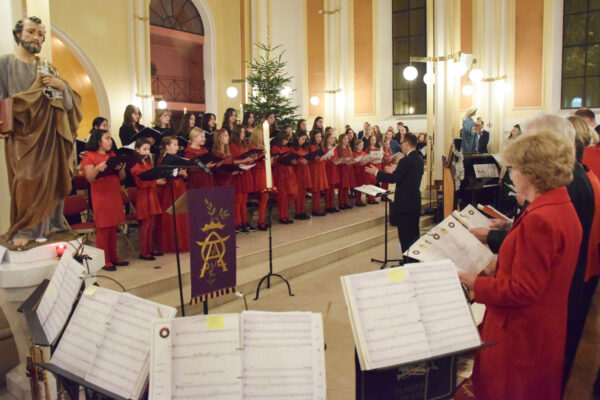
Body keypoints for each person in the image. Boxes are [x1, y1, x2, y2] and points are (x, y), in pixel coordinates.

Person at [457, 131, 581, 400]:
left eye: (514, 168)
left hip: (521, 334)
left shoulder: (540, 219)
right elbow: (541, 272)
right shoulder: (561, 205)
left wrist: (473, 282)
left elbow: (522, 290)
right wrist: (495, 270)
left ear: (533, 172)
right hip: (543, 327)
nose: (511, 175)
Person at [1, 16, 82, 247]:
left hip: (49, 133)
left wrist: (62, 87)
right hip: (22, 134)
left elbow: (67, 104)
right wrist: (20, 105)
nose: (36, 38)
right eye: (31, 32)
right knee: (26, 179)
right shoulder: (5, 64)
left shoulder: (47, 67)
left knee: (54, 178)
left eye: (40, 34)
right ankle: (26, 228)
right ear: (18, 34)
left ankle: (52, 224)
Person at [366, 132, 423, 252]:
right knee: (414, 233)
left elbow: (393, 179)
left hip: (404, 203)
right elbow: (407, 175)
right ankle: (413, 258)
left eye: (401, 142)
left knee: (405, 235)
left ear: (407, 143)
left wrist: (376, 172)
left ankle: (407, 259)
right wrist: (396, 170)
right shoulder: (419, 158)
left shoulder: (405, 161)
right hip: (415, 200)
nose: (400, 145)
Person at [80, 129, 128, 271]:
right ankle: (104, 260)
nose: (110, 141)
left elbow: (122, 178)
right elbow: (90, 178)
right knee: (103, 228)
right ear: (98, 141)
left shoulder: (112, 155)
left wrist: (121, 169)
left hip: (114, 193)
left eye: (110, 138)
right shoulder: (89, 156)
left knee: (113, 227)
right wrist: (97, 168)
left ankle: (113, 257)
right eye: (107, 138)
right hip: (101, 195)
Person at [130, 138, 165, 261]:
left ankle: (149, 248)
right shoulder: (135, 166)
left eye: (148, 149)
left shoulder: (148, 162)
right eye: (144, 149)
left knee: (151, 223)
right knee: (145, 224)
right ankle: (143, 252)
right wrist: (156, 182)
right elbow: (141, 184)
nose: (147, 152)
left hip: (151, 194)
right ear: (137, 150)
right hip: (143, 196)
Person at [154, 136, 189, 253]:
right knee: (171, 216)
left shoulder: (178, 158)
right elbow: (162, 174)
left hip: (179, 187)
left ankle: (182, 241)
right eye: (174, 145)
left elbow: (185, 175)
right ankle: (172, 243)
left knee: (181, 215)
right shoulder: (161, 159)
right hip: (169, 189)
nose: (177, 147)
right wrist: (176, 173)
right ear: (167, 146)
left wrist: (184, 174)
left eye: (177, 145)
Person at [229, 124, 257, 233]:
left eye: (244, 132)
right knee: (238, 200)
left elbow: (245, 159)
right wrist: (244, 160)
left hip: (245, 172)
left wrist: (252, 159)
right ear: (236, 133)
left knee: (244, 200)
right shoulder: (232, 145)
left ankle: (245, 222)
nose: (243, 134)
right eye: (241, 132)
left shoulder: (243, 144)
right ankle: (237, 224)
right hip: (238, 174)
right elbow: (232, 161)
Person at [272, 132, 298, 224]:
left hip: (289, 173)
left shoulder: (287, 148)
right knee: (282, 195)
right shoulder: (275, 148)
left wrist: (293, 161)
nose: (287, 141)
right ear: (280, 139)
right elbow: (273, 162)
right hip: (280, 173)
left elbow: (291, 160)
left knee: (288, 195)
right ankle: (281, 216)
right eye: (285, 139)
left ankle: (286, 215)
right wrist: (278, 158)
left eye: (288, 139)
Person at [248, 126, 269, 230]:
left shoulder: (263, 145)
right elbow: (252, 160)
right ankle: (260, 222)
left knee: (265, 197)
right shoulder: (252, 146)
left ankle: (262, 220)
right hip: (258, 173)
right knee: (264, 196)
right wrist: (262, 155)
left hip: (265, 173)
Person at [308, 129, 329, 216]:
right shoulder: (312, 146)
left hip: (320, 169)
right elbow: (315, 159)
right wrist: (322, 157)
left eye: (320, 136)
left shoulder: (320, 146)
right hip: (315, 170)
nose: (319, 138)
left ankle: (317, 208)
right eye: (317, 136)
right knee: (316, 191)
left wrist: (326, 157)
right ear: (313, 137)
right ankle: (315, 209)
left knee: (319, 191)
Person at [335, 133, 355, 210]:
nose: (347, 140)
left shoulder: (348, 148)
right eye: (345, 139)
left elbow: (351, 158)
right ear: (341, 140)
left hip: (348, 169)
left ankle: (346, 202)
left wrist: (352, 160)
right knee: (342, 187)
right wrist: (343, 160)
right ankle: (341, 203)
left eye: (347, 139)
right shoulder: (338, 149)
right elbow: (337, 160)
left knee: (347, 187)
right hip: (342, 169)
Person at [322, 132, 339, 213]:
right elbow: (323, 160)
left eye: (334, 138)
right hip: (327, 170)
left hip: (334, 169)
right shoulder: (324, 149)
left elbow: (336, 157)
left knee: (332, 189)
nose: (333, 139)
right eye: (332, 138)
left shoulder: (334, 148)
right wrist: (329, 160)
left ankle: (331, 205)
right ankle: (327, 206)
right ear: (327, 139)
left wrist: (338, 161)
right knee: (327, 189)